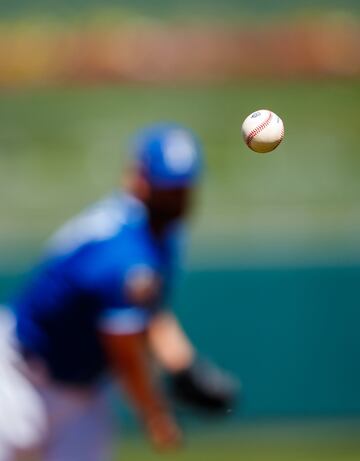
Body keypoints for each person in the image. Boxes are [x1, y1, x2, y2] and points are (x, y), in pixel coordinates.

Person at [0, 122, 237, 461]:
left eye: (182, 189)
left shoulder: (157, 231)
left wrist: (182, 364)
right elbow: (124, 350)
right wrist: (154, 413)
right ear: (140, 180)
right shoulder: (120, 252)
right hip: (17, 382)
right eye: (167, 189)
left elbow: (149, 309)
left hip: (83, 395)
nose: (176, 200)